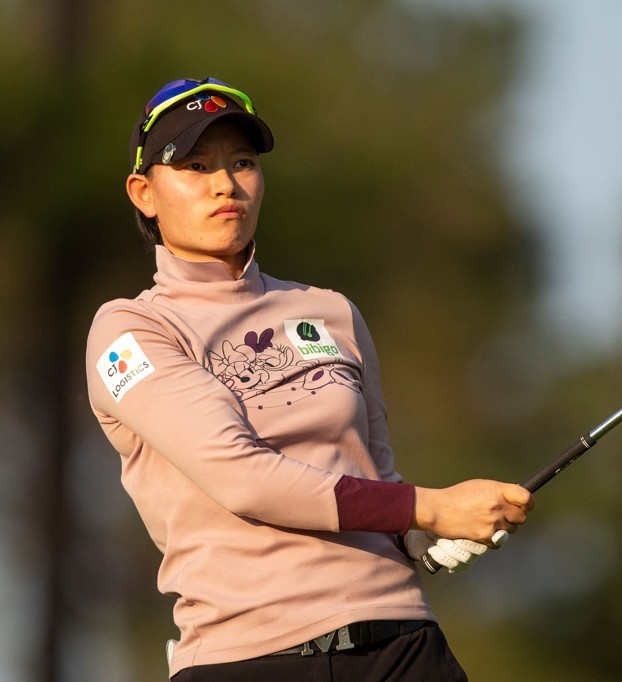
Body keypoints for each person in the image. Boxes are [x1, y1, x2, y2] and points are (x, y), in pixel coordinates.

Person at [85, 76, 533, 681]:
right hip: (245, 658)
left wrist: (430, 536)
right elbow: (241, 477)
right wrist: (430, 508)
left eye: (242, 162)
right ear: (144, 193)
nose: (226, 184)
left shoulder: (331, 311)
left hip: (399, 646)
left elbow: (377, 475)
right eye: (195, 166)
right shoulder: (129, 333)